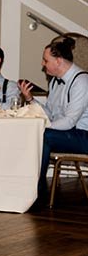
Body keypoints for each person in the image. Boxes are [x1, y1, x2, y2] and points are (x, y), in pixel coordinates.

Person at [18, 37, 88, 202]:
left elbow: (70, 121)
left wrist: (42, 128)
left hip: (83, 135)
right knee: (32, 131)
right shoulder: (55, 82)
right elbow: (49, 113)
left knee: (44, 136)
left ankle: (36, 191)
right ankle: (22, 184)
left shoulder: (82, 82)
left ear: (58, 61)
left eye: (45, 60)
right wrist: (30, 99)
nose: (43, 64)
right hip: (67, 132)